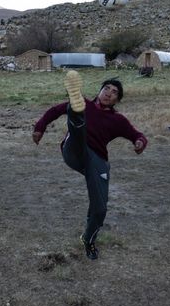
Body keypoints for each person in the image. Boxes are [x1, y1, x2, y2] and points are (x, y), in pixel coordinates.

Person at [33, 70, 147, 260]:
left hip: (97, 161)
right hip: (74, 150)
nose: (109, 93)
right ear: (100, 90)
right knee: (77, 119)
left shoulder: (118, 120)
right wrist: (39, 128)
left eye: (114, 92)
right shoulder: (86, 103)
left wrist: (140, 143)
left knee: (100, 208)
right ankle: (75, 110)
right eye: (106, 88)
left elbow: (137, 135)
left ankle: (88, 239)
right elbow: (53, 112)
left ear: (117, 100)